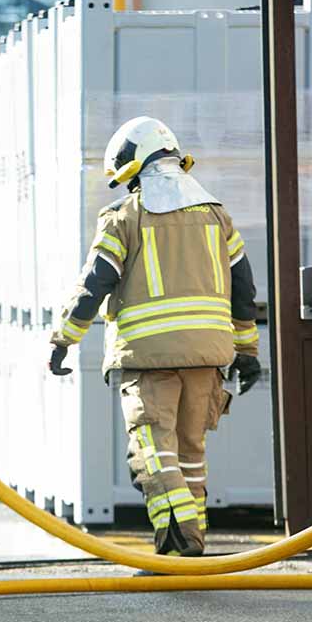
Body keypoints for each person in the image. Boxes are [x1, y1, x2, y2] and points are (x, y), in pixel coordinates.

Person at [47, 116, 260, 557]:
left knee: (153, 456)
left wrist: (64, 339)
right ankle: (190, 547)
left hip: (149, 361)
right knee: (190, 456)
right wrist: (247, 351)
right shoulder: (216, 216)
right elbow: (244, 289)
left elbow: (95, 284)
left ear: (136, 165)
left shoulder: (124, 217)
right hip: (207, 360)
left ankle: (179, 544)